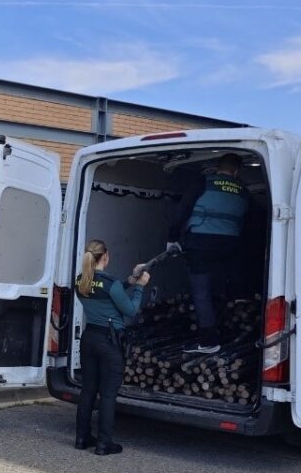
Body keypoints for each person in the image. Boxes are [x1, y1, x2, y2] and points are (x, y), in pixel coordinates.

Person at [167, 153, 250, 355]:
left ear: (217, 167)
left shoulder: (203, 182)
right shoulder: (244, 191)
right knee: (229, 282)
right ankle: (239, 304)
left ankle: (209, 341)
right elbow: (250, 220)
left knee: (201, 292)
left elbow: (183, 210)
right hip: (231, 244)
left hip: (200, 243)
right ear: (236, 171)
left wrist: (172, 238)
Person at [75, 239, 148, 456]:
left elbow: (107, 294)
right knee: (107, 395)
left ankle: (82, 438)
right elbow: (131, 310)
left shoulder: (80, 280)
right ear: (105, 256)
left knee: (88, 390)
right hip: (109, 342)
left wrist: (130, 280)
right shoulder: (111, 284)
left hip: (89, 339)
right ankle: (104, 443)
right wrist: (140, 287)